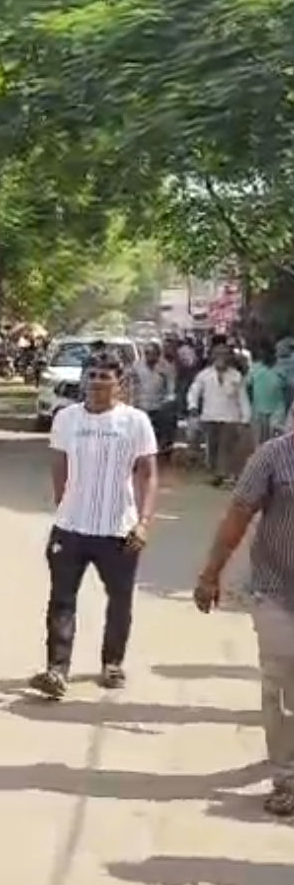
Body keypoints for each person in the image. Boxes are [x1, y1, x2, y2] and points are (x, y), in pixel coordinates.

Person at [31, 351, 158, 699]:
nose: (97, 381)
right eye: (92, 375)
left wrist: (144, 522)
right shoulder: (66, 419)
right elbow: (59, 466)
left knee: (119, 600)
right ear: (83, 379)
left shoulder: (135, 422)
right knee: (61, 600)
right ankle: (57, 670)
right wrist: (65, 506)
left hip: (118, 530)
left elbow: (148, 475)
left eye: (105, 376)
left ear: (119, 383)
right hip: (71, 528)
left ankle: (112, 663)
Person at [194, 431, 294, 816]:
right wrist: (210, 574)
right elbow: (239, 512)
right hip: (277, 591)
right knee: (283, 682)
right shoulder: (273, 456)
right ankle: (287, 778)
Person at [189, 342, 254, 487]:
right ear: (212, 357)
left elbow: (242, 398)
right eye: (218, 354)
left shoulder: (236, 375)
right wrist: (193, 407)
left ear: (229, 358)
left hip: (230, 417)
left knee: (226, 447)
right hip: (210, 416)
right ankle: (215, 474)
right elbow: (194, 392)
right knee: (213, 447)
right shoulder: (204, 375)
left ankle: (224, 475)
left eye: (225, 355)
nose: (221, 358)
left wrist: (246, 418)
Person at [131, 342, 177, 455]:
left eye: (153, 353)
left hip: (160, 404)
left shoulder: (166, 367)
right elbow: (132, 385)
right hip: (141, 404)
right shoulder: (137, 366)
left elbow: (171, 386)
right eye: (147, 353)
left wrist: (169, 399)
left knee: (168, 422)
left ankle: (165, 448)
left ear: (158, 354)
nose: (150, 356)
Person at [248, 342, 288, 448]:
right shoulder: (254, 369)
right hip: (258, 410)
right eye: (264, 354)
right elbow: (248, 387)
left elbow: (288, 389)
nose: (267, 356)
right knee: (259, 443)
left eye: (270, 353)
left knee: (276, 441)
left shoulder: (282, 369)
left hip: (277, 410)